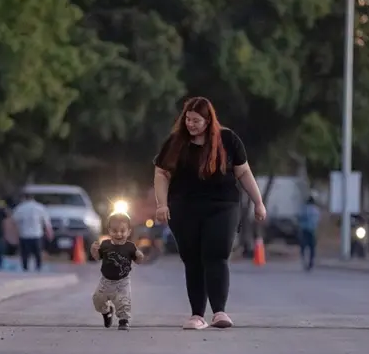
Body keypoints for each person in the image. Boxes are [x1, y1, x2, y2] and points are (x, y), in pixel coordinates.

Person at [154, 96, 266, 330]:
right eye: (187, 119)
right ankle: (197, 315)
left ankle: (219, 312)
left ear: (208, 121)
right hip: (184, 208)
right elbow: (161, 174)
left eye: (196, 120)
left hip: (222, 207)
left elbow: (243, 172)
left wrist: (258, 202)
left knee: (216, 255)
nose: (190, 125)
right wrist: (162, 204)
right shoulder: (176, 142)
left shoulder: (228, 140)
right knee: (192, 259)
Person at [90, 212, 144, 331]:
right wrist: (94, 251)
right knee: (97, 300)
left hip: (122, 282)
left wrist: (139, 255)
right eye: (114, 231)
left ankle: (123, 320)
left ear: (129, 231)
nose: (118, 234)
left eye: (122, 231)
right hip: (105, 281)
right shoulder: (105, 244)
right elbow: (97, 258)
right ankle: (107, 312)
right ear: (109, 231)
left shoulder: (130, 247)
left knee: (123, 302)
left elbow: (138, 261)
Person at [11, 192, 51, 272]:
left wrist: (15, 235)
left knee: (25, 254)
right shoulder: (40, 207)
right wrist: (49, 233)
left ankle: (25, 268)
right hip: (37, 234)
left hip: (24, 235)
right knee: (38, 254)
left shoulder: (20, 208)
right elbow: (46, 222)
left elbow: (14, 222)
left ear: (24, 198)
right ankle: (38, 268)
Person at [298, 196, 321, 271]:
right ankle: (311, 262)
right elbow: (318, 221)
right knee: (312, 247)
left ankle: (304, 260)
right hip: (313, 230)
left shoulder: (305, 209)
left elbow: (300, 218)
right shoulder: (316, 210)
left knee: (303, 246)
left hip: (305, 230)